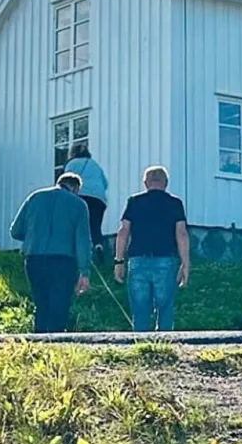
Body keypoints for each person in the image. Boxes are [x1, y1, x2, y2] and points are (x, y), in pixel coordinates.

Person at [9, 172, 92, 333]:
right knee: (59, 305)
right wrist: (84, 271)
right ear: (75, 188)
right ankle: (56, 341)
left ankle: (39, 340)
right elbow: (82, 241)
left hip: (34, 259)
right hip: (63, 261)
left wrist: (32, 236)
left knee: (41, 303)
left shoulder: (35, 197)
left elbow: (15, 231)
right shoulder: (78, 204)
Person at [113, 165, 190, 332]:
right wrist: (185, 264)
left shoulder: (134, 201)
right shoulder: (175, 203)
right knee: (165, 309)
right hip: (165, 260)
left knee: (139, 310)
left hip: (138, 260)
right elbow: (182, 234)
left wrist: (119, 261)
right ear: (166, 183)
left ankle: (140, 345)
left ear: (146, 183)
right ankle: (164, 346)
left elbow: (123, 232)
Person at [63, 142, 110, 259]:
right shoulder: (95, 165)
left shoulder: (72, 164)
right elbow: (105, 183)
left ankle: (78, 251)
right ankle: (98, 245)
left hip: (81, 195)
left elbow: (66, 182)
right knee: (95, 224)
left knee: (78, 223)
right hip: (99, 198)